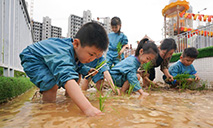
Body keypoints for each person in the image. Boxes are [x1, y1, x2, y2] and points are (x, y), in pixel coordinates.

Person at [19, 22, 109, 117]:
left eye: (96, 56)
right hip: (33, 58)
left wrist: (87, 70)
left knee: (74, 75)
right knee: (51, 85)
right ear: (76, 44)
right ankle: (47, 111)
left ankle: (69, 99)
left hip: (46, 59)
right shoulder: (63, 53)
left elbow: (78, 65)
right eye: (91, 54)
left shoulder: (75, 52)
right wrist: (88, 108)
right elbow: (67, 77)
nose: (92, 59)